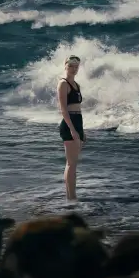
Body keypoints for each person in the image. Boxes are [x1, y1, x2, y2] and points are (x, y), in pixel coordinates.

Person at [57, 55, 86, 201]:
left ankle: (71, 196)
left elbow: (78, 108)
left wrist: (81, 130)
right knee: (71, 163)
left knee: (73, 164)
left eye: (76, 66)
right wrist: (73, 130)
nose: (74, 69)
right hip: (69, 124)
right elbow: (63, 109)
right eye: (71, 66)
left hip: (78, 122)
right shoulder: (63, 84)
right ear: (66, 66)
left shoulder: (77, 85)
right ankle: (71, 198)